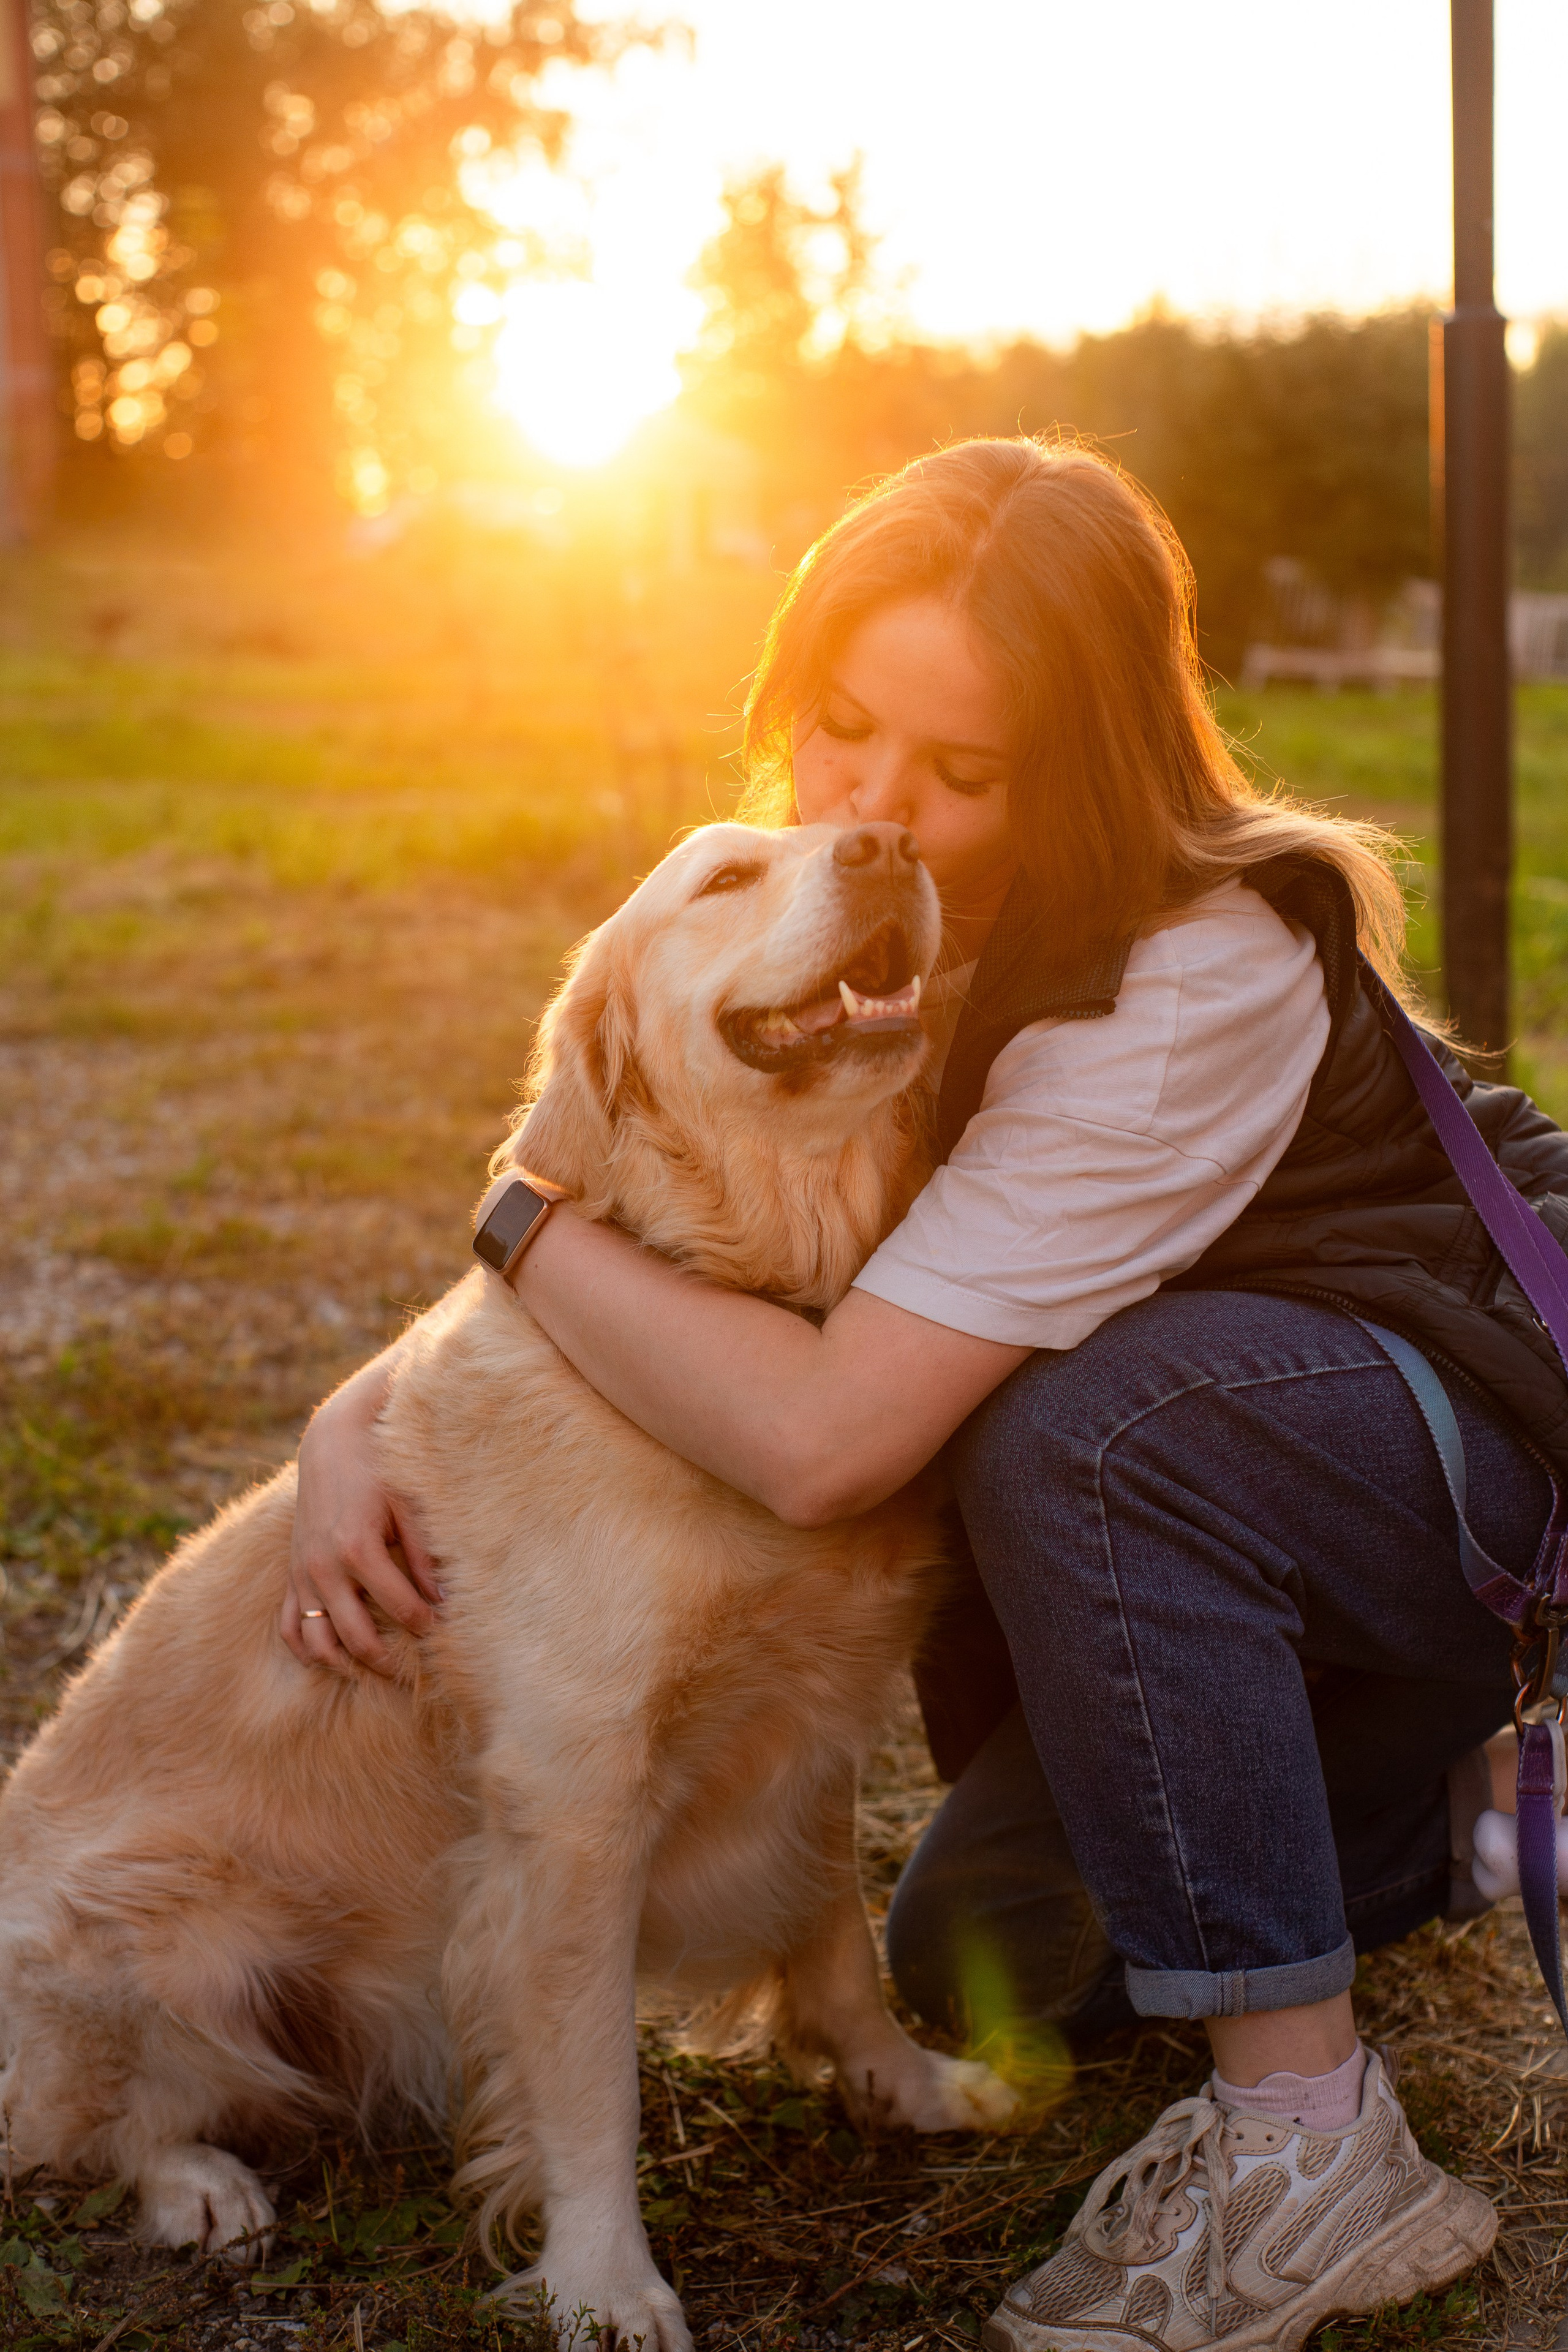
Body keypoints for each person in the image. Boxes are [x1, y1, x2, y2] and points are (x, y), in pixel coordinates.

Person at [285, 439, 1565, 2352]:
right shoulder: (875, 926)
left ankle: (1310, 2147)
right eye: (841, 731)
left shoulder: (1183, 978)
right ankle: (1405, 1789)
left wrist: (515, 1222)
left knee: (1094, 1425)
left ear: (1091, 775)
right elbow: (692, 1229)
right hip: (1250, 1484)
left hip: (1459, 1422)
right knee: (994, 1962)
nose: (875, 814)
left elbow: (821, 1437)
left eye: (960, 778)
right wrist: (353, 1421)